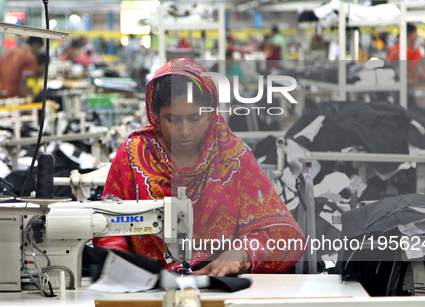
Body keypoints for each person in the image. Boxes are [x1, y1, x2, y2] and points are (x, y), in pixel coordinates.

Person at [94, 59, 306, 276]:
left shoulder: (232, 156)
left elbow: (282, 235)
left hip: (220, 281)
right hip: (147, 283)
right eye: (172, 119)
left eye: (195, 118)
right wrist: (120, 265)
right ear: (155, 114)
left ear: (210, 112)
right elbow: (108, 225)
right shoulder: (133, 155)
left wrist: (239, 253)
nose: (185, 130)